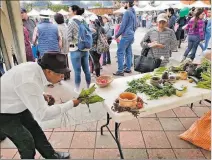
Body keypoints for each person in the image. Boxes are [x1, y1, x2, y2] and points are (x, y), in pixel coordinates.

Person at [0, 52, 81, 159]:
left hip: (17, 105)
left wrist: (42, 95)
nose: (62, 77)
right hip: (3, 112)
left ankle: (51, 156)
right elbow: (43, 114)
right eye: (60, 74)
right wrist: (71, 104)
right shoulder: (29, 80)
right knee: (26, 142)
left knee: (35, 130)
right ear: (48, 71)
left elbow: (25, 89)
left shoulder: (36, 70)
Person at [67, 5, 91, 93]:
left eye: (69, 11)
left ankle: (77, 89)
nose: (68, 13)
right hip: (85, 48)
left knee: (77, 71)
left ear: (74, 11)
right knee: (87, 70)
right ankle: (89, 87)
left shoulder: (71, 22)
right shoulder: (84, 20)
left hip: (75, 49)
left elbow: (68, 38)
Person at [113, 0, 136, 76]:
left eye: (124, 3)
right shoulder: (133, 12)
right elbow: (136, 25)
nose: (123, 5)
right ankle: (128, 68)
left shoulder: (127, 12)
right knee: (128, 52)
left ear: (128, 3)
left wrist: (116, 35)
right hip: (131, 34)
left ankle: (120, 70)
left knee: (120, 52)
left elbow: (123, 26)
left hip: (126, 35)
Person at [54, 13, 70, 80]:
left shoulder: (57, 27)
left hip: (62, 47)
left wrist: (59, 48)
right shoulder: (66, 26)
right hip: (67, 46)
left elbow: (60, 38)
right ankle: (67, 75)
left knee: (62, 62)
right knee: (66, 61)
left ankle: (64, 76)